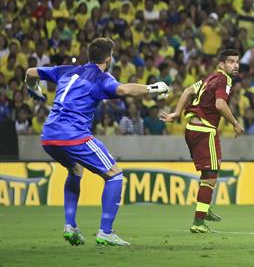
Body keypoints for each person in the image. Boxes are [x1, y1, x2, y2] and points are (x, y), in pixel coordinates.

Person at [24, 37, 170, 246]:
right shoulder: (101, 78)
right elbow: (123, 90)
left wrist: (32, 88)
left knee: (75, 170)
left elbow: (30, 72)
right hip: (73, 135)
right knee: (114, 174)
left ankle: (70, 226)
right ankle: (106, 231)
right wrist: (155, 88)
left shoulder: (65, 70)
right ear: (108, 58)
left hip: (48, 135)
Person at [160, 48, 244, 233]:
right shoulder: (224, 79)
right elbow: (220, 104)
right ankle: (198, 222)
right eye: (231, 61)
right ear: (221, 64)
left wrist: (176, 113)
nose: (235, 65)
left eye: (237, 61)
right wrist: (236, 124)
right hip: (204, 130)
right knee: (212, 175)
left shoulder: (210, 78)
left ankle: (204, 209)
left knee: (211, 170)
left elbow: (188, 91)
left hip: (192, 129)